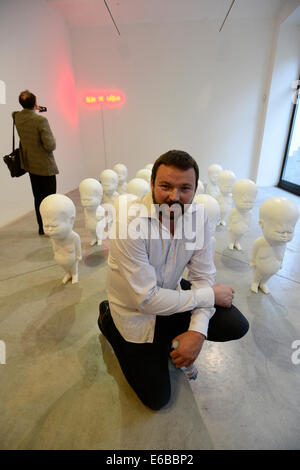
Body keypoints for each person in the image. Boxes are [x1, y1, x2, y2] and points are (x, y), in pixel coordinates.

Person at [98, 150, 249, 410]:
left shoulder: (198, 216)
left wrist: (197, 332)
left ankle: (170, 337)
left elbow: (202, 276)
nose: (174, 197)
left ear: (195, 189)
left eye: (185, 188)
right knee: (157, 400)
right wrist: (210, 295)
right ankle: (108, 318)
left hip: (170, 296)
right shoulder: (128, 223)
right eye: (165, 186)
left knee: (235, 324)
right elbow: (146, 300)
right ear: (152, 184)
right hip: (135, 311)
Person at [13, 90, 58, 235]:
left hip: (30, 165)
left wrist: (33, 108)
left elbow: (15, 113)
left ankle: (42, 228)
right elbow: (50, 146)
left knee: (38, 197)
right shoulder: (40, 121)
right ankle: (52, 226)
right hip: (44, 165)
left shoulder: (17, 117)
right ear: (35, 102)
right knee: (50, 198)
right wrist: (54, 139)